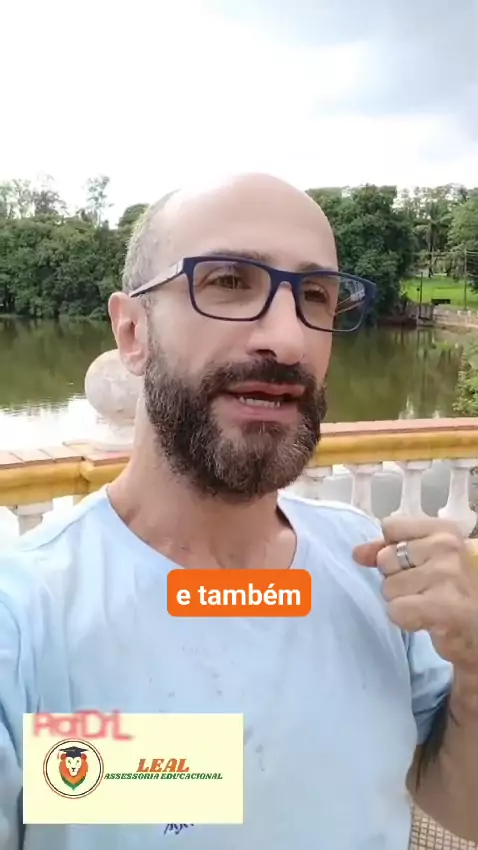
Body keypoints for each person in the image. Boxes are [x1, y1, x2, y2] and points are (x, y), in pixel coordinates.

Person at [0, 172, 477, 850]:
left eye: (315, 295)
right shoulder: (24, 619)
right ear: (132, 331)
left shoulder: (374, 568)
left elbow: (460, 808)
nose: (288, 339)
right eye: (228, 281)